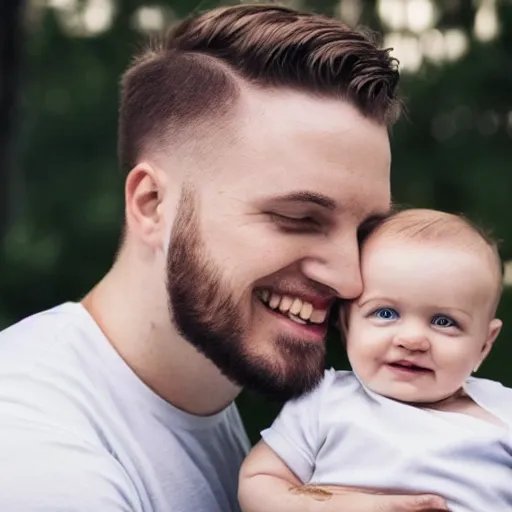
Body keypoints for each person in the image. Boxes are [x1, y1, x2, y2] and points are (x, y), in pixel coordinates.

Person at [0, 4, 447, 511]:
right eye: (299, 218)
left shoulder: (216, 405)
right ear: (152, 205)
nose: (350, 279)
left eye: (367, 229)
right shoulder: (36, 455)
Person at [239, 208, 511, 512]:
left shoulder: (504, 413)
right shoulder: (324, 401)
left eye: (444, 321)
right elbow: (259, 482)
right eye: (385, 313)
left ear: (484, 344)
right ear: (346, 325)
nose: (411, 340)